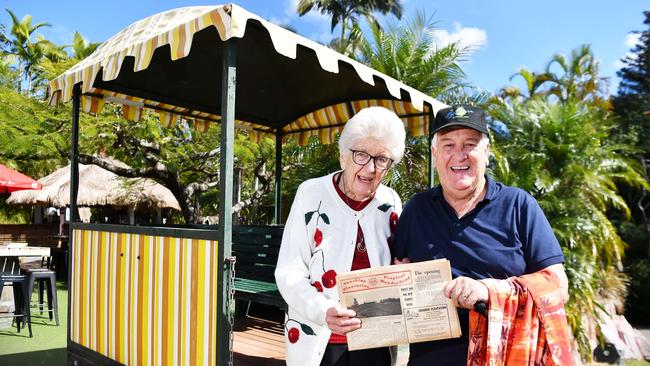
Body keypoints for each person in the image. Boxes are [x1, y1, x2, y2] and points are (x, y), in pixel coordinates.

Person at [393, 105, 569, 365]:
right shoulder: (416, 209)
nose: (459, 155)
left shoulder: (519, 205)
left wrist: (489, 290)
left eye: (470, 144)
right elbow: (395, 278)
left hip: (507, 358)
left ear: (486, 152)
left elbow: (557, 286)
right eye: (448, 145)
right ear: (434, 153)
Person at [275, 106, 406, 366]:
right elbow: (289, 271)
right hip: (321, 339)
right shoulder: (311, 194)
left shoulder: (390, 201)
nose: (370, 168)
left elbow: (395, 261)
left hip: (374, 338)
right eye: (361, 155)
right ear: (343, 157)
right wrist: (323, 311)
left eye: (381, 159)